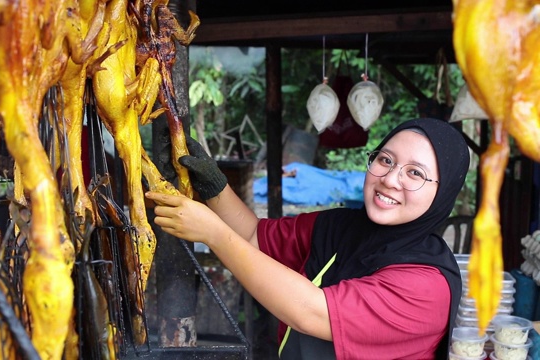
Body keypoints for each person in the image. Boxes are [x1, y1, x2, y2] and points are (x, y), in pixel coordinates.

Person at [145, 117, 470, 359]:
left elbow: (310, 311)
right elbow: (254, 236)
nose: (390, 180)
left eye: (415, 173)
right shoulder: (341, 226)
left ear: (443, 193)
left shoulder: (427, 286)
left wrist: (214, 234)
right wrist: (215, 186)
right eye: (385, 160)